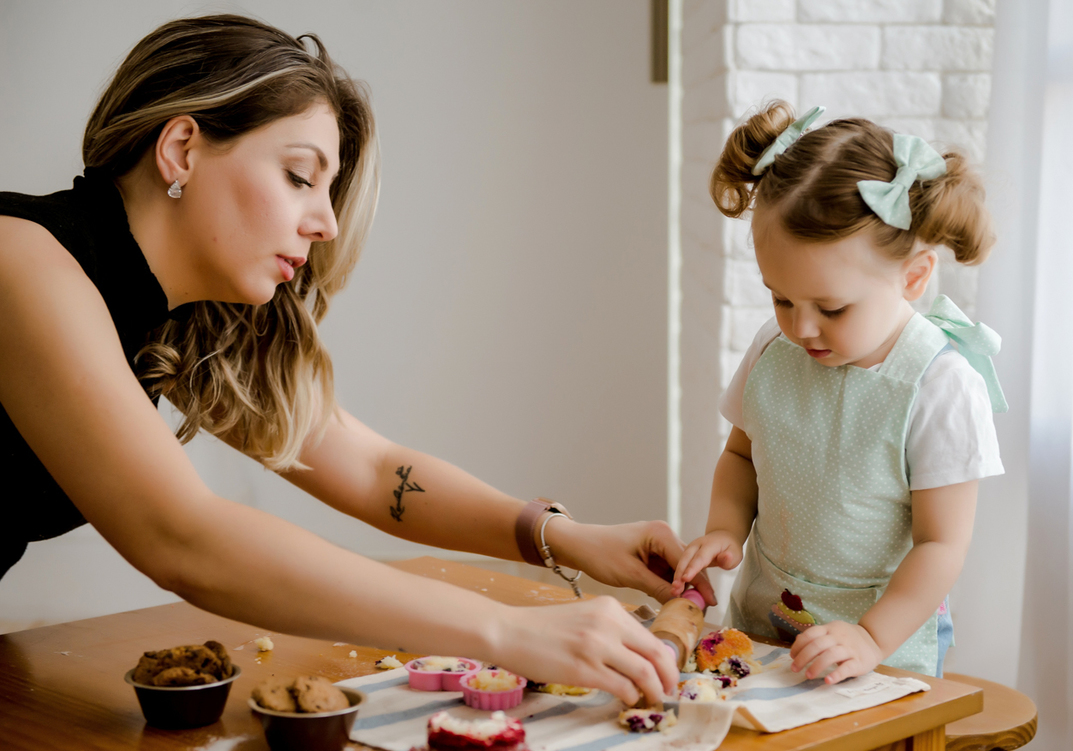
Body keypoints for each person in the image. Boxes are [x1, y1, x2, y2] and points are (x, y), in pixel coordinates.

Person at [0, 14, 713, 706]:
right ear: (183, 149)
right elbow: (182, 538)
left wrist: (565, 537)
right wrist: (508, 629)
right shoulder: (21, 262)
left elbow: (372, 473)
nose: (327, 222)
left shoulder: (177, 325)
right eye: (300, 176)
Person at [670, 102, 1006, 683]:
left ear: (914, 276)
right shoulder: (773, 350)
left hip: (880, 645)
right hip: (764, 621)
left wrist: (871, 637)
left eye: (831, 308)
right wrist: (724, 528)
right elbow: (741, 456)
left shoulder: (939, 387)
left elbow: (940, 544)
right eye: (781, 298)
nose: (801, 328)